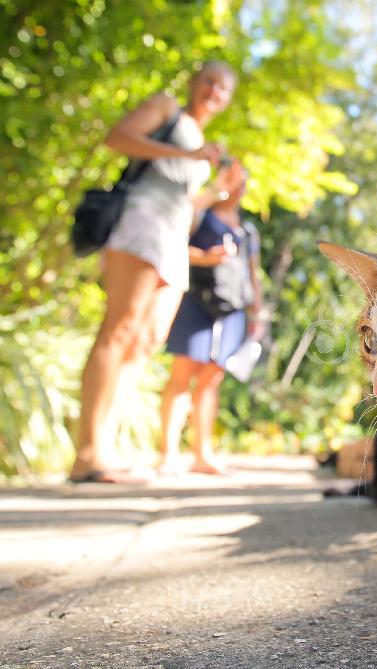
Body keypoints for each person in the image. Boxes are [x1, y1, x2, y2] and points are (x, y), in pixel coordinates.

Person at [70, 61, 244, 483]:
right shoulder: (168, 110)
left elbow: (183, 202)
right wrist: (189, 154)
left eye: (223, 89)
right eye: (209, 81)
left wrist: (216, 194)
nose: (214, 92)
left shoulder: (202, 141)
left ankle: (106, 449)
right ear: (193, 81)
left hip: (171, 239)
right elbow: (118, 138)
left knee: (145, 343)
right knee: (120, 329)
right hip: (141, 222)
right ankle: (87, 454)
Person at [159, 172, 265, 476]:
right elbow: (171, 243)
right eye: (233, 181)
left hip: (232, 309)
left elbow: (252, 274)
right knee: (181, 374)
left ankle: (202, 453)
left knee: (211, 379)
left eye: (242, 181)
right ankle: (168, 454)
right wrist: (204, 258)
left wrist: (256, 315)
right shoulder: (200, 214)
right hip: (196, 302)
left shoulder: (247, 231)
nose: (239, 188)